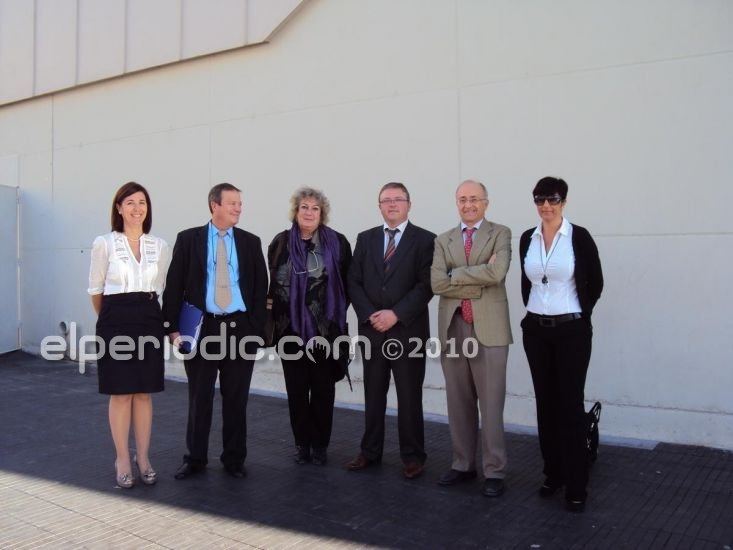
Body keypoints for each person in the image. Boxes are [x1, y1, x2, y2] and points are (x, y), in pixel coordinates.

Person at [162, 183, 267, 480]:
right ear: (214, 205)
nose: (238, 208)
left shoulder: (250, 242)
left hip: (239, 329)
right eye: (232, 203)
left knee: (237, 400)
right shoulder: (188, 239)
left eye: (240, 203)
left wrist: (255, 329)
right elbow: (174, 285)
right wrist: (172, 328)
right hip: (202, 329)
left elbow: (260, 288)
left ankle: (234, 460)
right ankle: (195, 459)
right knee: (199, 398)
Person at [519, 176, 603, 513]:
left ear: (564, 201)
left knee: (569, 405)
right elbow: (527, 284)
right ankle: (553, 473)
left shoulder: (578, 237)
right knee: (545, 403)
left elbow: (596, 282)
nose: (546, 206)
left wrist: (579, 314)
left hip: (571, 332)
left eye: (552, 199)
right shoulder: (528, 238)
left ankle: (576, 483)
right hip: (536, 332)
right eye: (540, 200)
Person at [346, 182, 435, 479]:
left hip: (407, 332)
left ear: (409, 204)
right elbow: (353, 281)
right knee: (373, 396)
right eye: (386, 200)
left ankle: (413, 456)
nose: (392, 204)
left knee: (409, 397)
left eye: (398, 199)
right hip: (373, 331)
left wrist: (395, 314)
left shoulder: (426, 240)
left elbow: (426, 285)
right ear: (379, 206)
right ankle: (369, 452)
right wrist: (370, 315)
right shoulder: (366, 238)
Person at [431, 179, 512, 498]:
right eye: (463, 199)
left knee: (491, 404)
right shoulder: (443, 240)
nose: (468, 204)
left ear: (486, 203)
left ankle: (495, 469)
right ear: (457, 203)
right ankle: (463, 464)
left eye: (474, 199)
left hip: (489, 329)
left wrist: (456, 276)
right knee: (458, 401)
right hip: (453, 327)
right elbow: (437, 283)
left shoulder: (500, 233)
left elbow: (498, 273)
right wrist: (478, 275)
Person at [88, 181, 170, 488]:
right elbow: (96, 291)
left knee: (144, 392)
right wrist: (112, 320)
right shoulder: (104, 243)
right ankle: (122, 458)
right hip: (115, 320)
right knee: (121, 392)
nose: (137, 208)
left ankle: (143, 458)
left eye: (142, 203)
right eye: (131, 202)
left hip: (149, 317)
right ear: (119, 208)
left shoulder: (159, 246)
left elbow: (160, 287)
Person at [267, 187, 352, 466]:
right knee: (296, 391)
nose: (309, 212)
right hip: (289, 331)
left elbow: (346, 288)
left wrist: (327, 315)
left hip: (325, 333)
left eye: (315, 208)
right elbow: (273, 284)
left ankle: (320, 446)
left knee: (323, 391)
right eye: (304, 207)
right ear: (296, 210)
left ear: (322, 213)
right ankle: (302, 444)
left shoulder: (338, 243)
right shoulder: (280, 242)